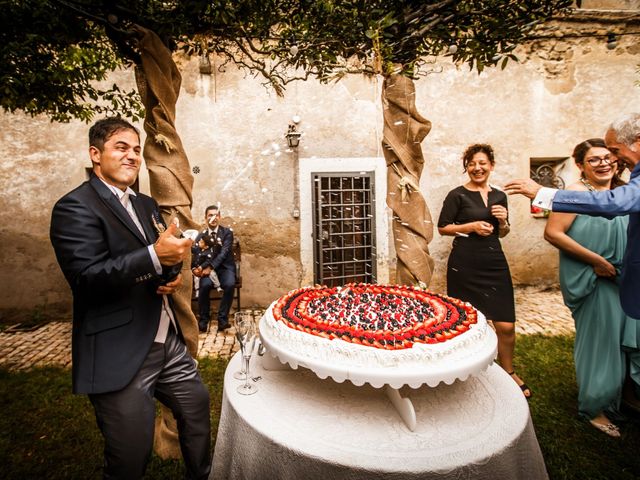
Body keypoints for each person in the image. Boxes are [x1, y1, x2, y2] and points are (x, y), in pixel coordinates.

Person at [49, 117, 211, 479]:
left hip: (165, 340)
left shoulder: (146, 204)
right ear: (95, 154)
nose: (133, 156)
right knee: (129, 457)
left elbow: (155, 259)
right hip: (118, 347)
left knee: (197, 407)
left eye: (137, 150)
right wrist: (155, 256)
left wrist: (168, 274)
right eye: (121, 147)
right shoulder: (75, 207)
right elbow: (87, 278)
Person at [504, 112, 640, 321]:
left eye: (614, 151)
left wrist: (544, 193)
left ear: (637, 142)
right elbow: (554, 233)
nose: (613, 160)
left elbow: (613, 202)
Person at [544, 138, 638, 437]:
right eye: (594, 159)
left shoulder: (624, 193)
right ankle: (595, 408)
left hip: (625, 280)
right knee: (601, 345)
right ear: (581, 165)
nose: (603, 163)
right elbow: (553, 233)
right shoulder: (574, 193)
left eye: (608, 157)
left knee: (626, 343)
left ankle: (624, 398)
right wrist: (596, 261)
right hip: (594, 279)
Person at [438, 144, 530, 398]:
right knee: (469, 322)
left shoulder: (500, 196)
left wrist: (503, 221)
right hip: (465, 261)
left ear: (491, 165)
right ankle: (468, 369)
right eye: (472, 164)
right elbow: (443, 228)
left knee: (506, 324)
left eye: (482, 163)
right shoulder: (456, 195)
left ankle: (508, 371)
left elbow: (504, 232)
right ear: (466, 167)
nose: (477, 168)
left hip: (494, 260)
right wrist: (472, 226)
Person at [192, 205, 236, 333]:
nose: (213, 218)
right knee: (204, 286)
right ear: (206, 218)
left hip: (224, 268)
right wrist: (197, 268)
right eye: (210, 215)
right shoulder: (201, 236)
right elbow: (197, 255)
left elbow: (223, 253)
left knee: (229, 284)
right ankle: (204, 320)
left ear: (220, 217)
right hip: (206, 270)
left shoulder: (227, 233)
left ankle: (222, 320)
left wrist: (210, 267)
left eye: (216, 215)